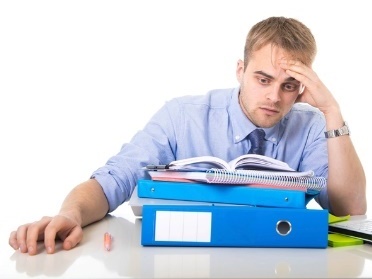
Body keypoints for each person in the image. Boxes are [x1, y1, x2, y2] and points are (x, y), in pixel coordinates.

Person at [9, 16, 366, 255]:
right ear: (240, 70)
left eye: (290, 85)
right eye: (263, 79)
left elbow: (350, 210)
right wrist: (70, 214)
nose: (275, 97)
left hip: (277, 261)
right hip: (183, 260)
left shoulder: (311, 124)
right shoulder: (183, 116)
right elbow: (114, 178)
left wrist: (332, 112)